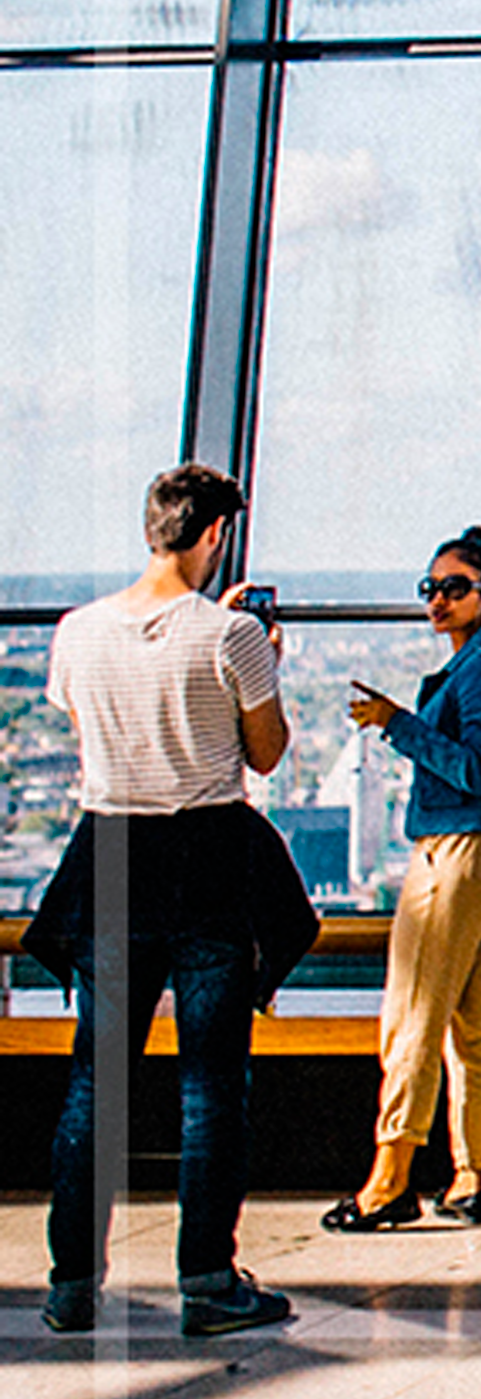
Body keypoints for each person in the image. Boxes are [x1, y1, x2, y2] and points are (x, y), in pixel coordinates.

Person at [30, 463, 300, 1338]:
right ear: (217, 535)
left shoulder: (77, 633)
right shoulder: (231, 636)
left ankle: (73, 1280)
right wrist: (268, 665)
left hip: (110, 853)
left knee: (93, 1080)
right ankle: (208, 1279)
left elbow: (84, 722)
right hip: (208, 862)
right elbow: (264, 754)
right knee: (211, 1084)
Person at [325, 525, 481, 1230]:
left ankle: (389, 1179)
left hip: (457, 855)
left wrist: (397, 723)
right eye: (430, 588)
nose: (437, 600)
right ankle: (471, 1173)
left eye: (453, 588)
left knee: (413, 1014)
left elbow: (471, 767)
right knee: (478, 1020)